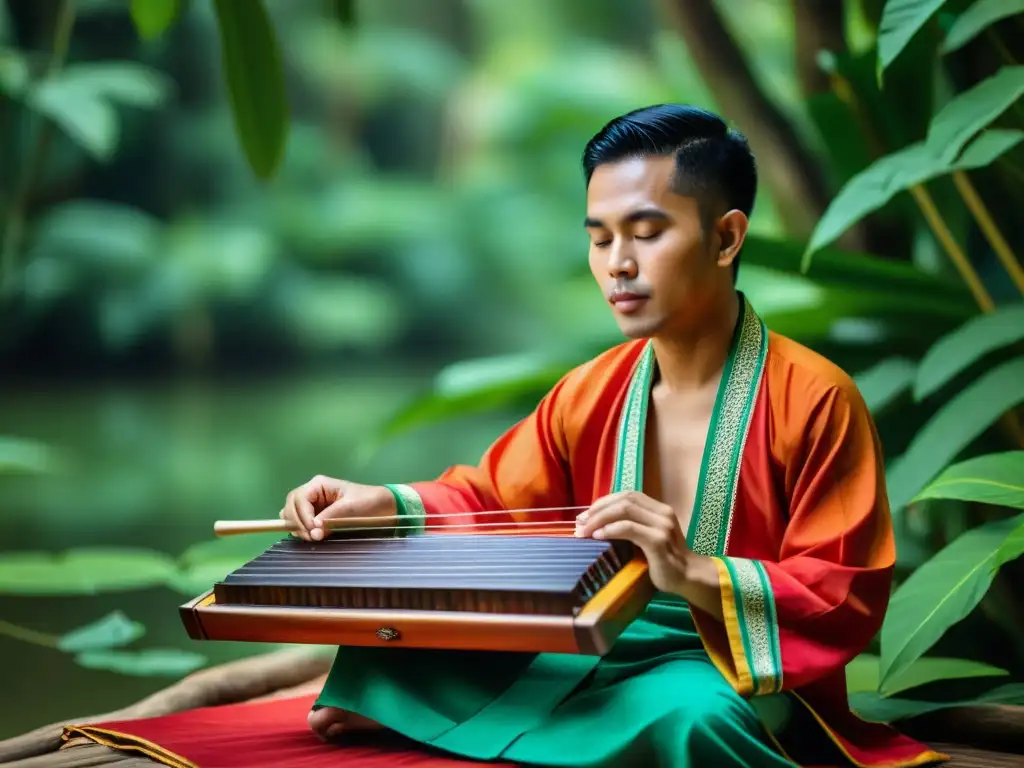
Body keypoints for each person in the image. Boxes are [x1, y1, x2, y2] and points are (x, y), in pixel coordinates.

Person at [280, 105, 945, 768]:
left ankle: (468, 727)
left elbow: (842, 591)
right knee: (387, 652)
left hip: (728, 663)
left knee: (694, 719)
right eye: (600, 239)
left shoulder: (817, 397)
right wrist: (385, 504)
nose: (618, 264)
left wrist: (690, 570)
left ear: (726, 238)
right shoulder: (591, 388)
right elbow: (494, 502)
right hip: (589, 634)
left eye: (647, 233)